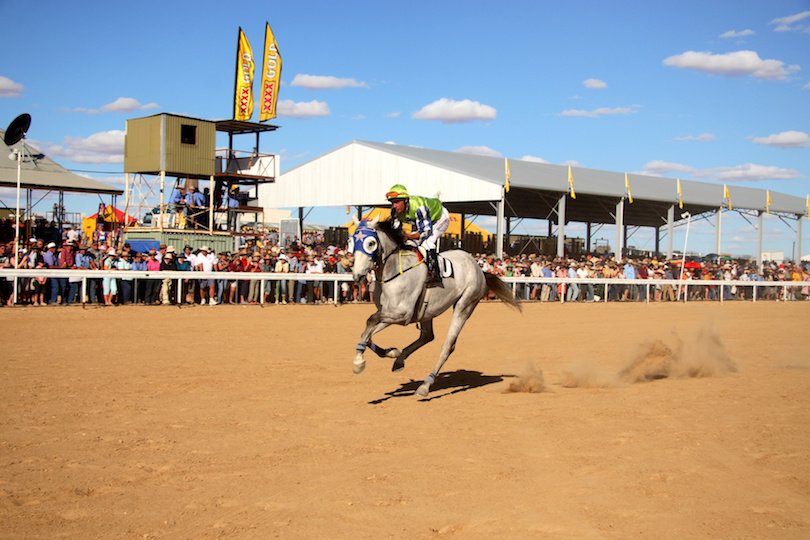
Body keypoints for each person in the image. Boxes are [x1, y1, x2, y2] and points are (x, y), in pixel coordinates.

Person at [385, 183, 450, 285]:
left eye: (397, 202)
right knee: (410, 243)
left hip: (440, 218)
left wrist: (408, 236)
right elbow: (396, 232)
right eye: (392, 202)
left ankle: (434, 273)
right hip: (423, 221)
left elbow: (425, 232)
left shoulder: (419, 208)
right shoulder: (394, 212)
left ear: (406, 200)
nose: (394, 206)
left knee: (427, 243)